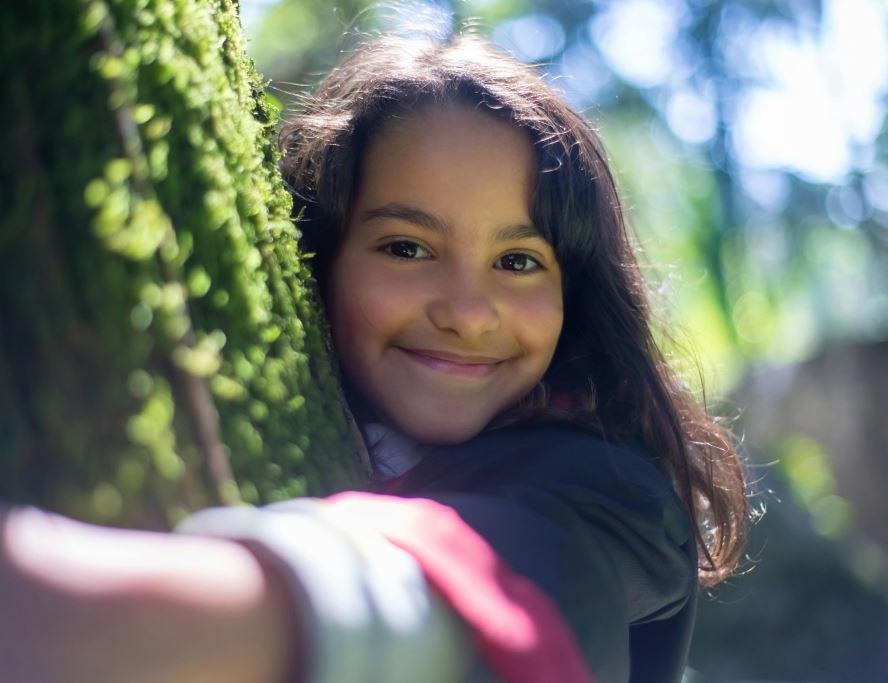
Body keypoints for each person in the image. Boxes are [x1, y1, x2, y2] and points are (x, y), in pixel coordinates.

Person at [0, 29, 749, 683]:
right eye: (406, 247)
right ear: (318, 259)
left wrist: (88, 614)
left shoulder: (617, 495)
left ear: (573, 296)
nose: (463, 311)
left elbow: (513, 579)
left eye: (518, 261)